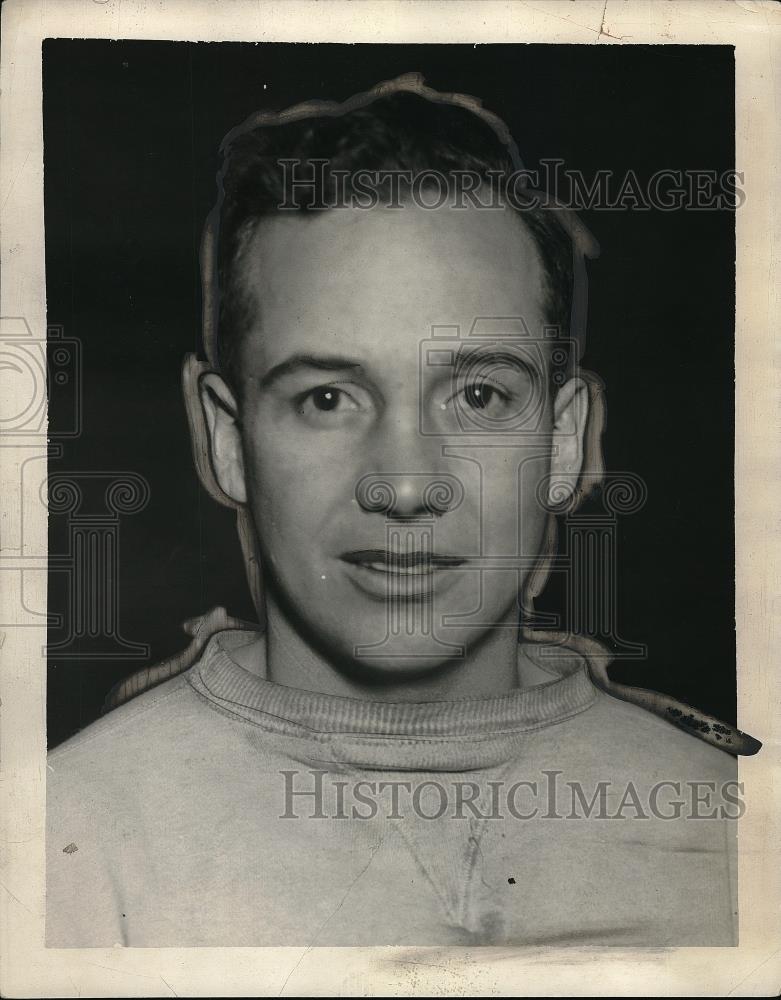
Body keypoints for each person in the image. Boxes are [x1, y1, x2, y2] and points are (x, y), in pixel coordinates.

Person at [46, 74, 753, 948]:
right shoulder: (62, 847)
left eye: (481, 396)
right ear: (226, 437)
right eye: (328, 399)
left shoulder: (736, 838)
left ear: (564, 442)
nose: (407, 485)